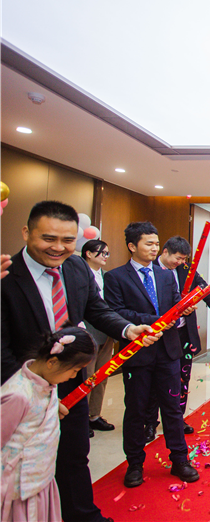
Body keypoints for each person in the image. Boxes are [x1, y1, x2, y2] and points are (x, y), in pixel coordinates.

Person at [1, 201, 159, 522]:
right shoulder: (6, 275)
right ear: (26, 233)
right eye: (48, 238)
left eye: (68, 240)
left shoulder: (75, 268)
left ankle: (83, 515)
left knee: (74, 454)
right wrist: (34, 396)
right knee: (26, 465)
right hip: (21, 389)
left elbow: (96, 309)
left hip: (71, 381)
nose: (58, 248)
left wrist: (128, 329)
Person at [103, 222, 199, 488]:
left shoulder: (166, 276)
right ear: (132, 246)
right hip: (137, 353)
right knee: (137, 410)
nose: (155, 248)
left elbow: (174, 304)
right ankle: (134, 463)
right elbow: (116, 312)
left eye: (156, 244)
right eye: (149, 243)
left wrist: (183, 309)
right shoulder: (116, 277)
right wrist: (154, 320)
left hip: (168, 352)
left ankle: (180, 460)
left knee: (172, 409)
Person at [1, 327, 96, 522]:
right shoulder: (18, 395)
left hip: (42, 477)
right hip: (20, 486)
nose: (73, 377)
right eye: (74, 371)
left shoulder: (48, 384)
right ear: (52, 362)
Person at [142, 237, 210, 441]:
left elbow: (206, 291)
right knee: (154, 381)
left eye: (183, 259)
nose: (180, 263)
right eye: (177, 258)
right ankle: (150, 423)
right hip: (158, 334)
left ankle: (177, 419)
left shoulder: (186, 270)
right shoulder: (150, 271)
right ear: (165, 252)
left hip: (182, 334)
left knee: (182, 378)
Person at [80, 240, 116, 437]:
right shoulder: (78, 275)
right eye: (102, 253)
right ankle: (81, 417)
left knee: (102, 375)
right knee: (86, 377)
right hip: (87, 332)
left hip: (107, 332)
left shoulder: (107, 276)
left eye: (107, 253)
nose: (105, 257)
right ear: (88, 253)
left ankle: (94, 415)